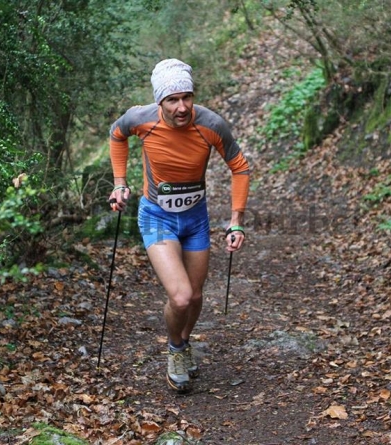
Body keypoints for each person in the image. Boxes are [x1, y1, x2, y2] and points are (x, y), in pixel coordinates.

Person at [108, 58, 250, 393]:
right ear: (160, 102)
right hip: (156, 216)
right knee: (182, 296)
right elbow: (117, 134)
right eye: (173, 100)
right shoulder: (140, 118)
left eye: (187, 97)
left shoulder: (211, 123)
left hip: (195, 218)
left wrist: (236, 222)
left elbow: (239, 167)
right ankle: (174, 350)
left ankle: (183, 343)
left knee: (197, 296)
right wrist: (119, 182)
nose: (182, 106)